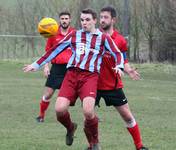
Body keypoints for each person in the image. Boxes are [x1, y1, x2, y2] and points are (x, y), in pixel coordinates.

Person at [23, 8, 124, 150]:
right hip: (71, 76)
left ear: (95, 21)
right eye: (82, 20)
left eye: (88, 20)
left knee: (89, 112)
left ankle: (94, 142)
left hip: (90, 77)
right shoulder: (74, 35)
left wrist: (119, 66)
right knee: (59, 110)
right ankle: (70, 128)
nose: (84, 23)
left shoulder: (103, 38)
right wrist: (37, 64)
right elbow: (55, 50)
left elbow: (117, 53)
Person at [96, 6, 148, 150]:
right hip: (92, 84)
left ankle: (139, 146)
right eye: (100, 17)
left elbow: (123, 60)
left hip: (113, 85)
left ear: (113, 20)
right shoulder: (93, 36)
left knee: (128, 117)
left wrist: (129, 70)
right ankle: (92, 145)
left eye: (105, 17)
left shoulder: (120, 40)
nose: (102, 20)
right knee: (88, 118)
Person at [36, 11, 75, 122]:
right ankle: (41, 116)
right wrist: (46, 66)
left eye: (66, 18)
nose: (64, 20)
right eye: (62, 18)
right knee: (48, 94)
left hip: (71, 69)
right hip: (56, 68)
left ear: (70, 20)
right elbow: (48, 52)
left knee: (80, 94)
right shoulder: (52, 33)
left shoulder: (74, 33)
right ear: (59, 20)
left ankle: (91, 115)